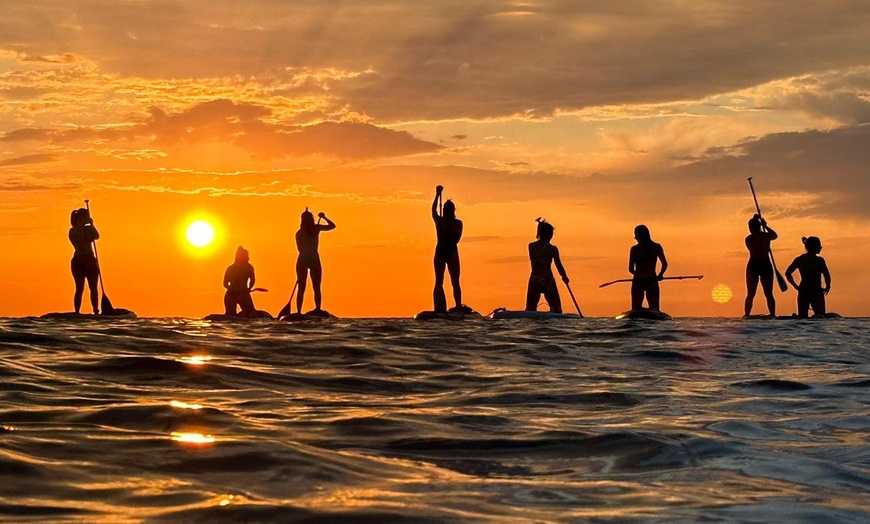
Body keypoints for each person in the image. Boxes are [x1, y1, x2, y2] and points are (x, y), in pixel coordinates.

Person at [294, 208, 336, 314]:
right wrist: (324, 217)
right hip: (314, 259)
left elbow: (299, 249)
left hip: (302, 259)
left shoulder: (298, 233)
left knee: (301, 287)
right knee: (316, 287)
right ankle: (317, 309)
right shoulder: (316, 229)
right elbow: (332, 226)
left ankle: (299, 311)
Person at [432, 185, 464, 312]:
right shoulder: (453, 223)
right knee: (444, 281)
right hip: (446, 251)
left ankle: (457, 306)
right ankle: (440, 306)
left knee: (452, 281)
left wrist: (437, 194)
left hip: (447, 251)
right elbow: (433, 210)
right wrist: (437, 194)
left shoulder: (451, 222)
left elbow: (433, 210)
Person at [526, 218, 569, 312]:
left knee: (530, 309)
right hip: (547, 279)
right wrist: (564, 277)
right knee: (556, 308)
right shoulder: (552, 249)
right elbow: (559, 265)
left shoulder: (531, 246)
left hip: (534, 279)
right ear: (549, 234)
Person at [785, 236, 831, 318]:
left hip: (804, 291)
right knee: (820, 317)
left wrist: (795, 286)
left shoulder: (800, 259)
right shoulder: (819, 260)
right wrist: (827, 286)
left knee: (803, 318)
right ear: (813, 246)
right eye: (819, 245)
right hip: (815, 291)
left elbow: (788, 273)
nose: (821, 247)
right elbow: (826, 274)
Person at [744, 214, 778, 317]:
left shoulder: (763, 236)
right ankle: (747, 314)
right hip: (756, 264)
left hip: (763, 264)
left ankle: (772, 314)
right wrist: (765, 226)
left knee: (767, 293)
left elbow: (775, 236)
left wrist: (764, 225)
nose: (750, 229)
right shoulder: (751, 238)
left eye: (751, 227)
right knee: (752, 293)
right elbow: (774, 235)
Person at [628, 224, 668, 310]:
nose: (635, 237)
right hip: (645, 280)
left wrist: (660, 275)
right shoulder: (635, 249)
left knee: (646, 309)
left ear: (640, 235)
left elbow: (664, 264)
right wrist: (659, 275)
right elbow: (630, 269)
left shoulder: (655, 247)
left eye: (636, 235)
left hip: (646, 281)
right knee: (644, 309)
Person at [69, 208, 100, 314]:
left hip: (82, 260)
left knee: (88, 288)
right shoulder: (76, 230)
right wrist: (90, 225)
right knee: (84, 288)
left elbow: (96, 236)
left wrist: (90, 225)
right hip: (84, 261)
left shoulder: (75, 230)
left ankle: (93, 310)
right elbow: (95, 236)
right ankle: (80, 311)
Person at [223, 246, 257, 316]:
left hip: (242, 293)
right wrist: (232, 289)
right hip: (234, 294)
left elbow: (252, 280)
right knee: (250, 313)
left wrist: (248, 289)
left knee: (250, 313)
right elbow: (225, 283)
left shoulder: (248, 267)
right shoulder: (232, 268)